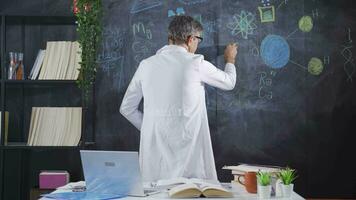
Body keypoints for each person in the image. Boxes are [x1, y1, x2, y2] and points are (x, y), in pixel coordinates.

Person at [120, 16, 237, 182]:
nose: (197, 45)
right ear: (191, 39)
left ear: (170, 38)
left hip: (154, 159)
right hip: (189, 159)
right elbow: (229, 82)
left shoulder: (146, 65)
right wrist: (230, 59)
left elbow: (126, 108)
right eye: (198, 40)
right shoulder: (196, 62)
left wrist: (148, 127)